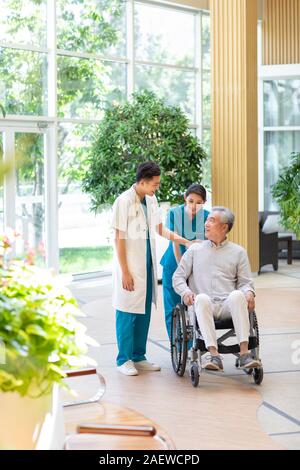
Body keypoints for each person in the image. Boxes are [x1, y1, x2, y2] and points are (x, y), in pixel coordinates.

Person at [112, 161, 194, 376]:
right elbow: (118, 238)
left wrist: (184, 241)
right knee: (127, 312)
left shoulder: (151, 198)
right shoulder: (124, 201)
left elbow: (160, 229)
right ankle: (124, 359)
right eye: (154, 184)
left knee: (144, 311)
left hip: (146, 266)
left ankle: (139, 356)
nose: (157, 187)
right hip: (129, 266)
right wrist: (125, 272)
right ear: (142, 181)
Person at [172, 206, 260, 371]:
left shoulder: (238, 252)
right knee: (202, 298)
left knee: (237, 295)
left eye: (211, 221)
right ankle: (214, 355)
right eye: (207, 220)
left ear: (224, 227)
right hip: (204, 305)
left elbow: (245, 282)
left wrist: (249, 292)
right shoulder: (194, 250)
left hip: (228, 305)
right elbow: (178, 277)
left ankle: (244, 354)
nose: (206, 224)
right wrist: (185, 292)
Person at [160, 184, 209, 339]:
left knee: (197, 304)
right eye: (191, 201)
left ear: (204, 202)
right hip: (174, 264)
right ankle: (177, 345)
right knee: (173, 306)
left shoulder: (208, 216)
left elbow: (208, 243)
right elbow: (174, 240)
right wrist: (182, 266)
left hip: (198, 267)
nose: (194, 205)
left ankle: (196, 343)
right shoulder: (174, 213)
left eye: (199, 202)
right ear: (185, 199)